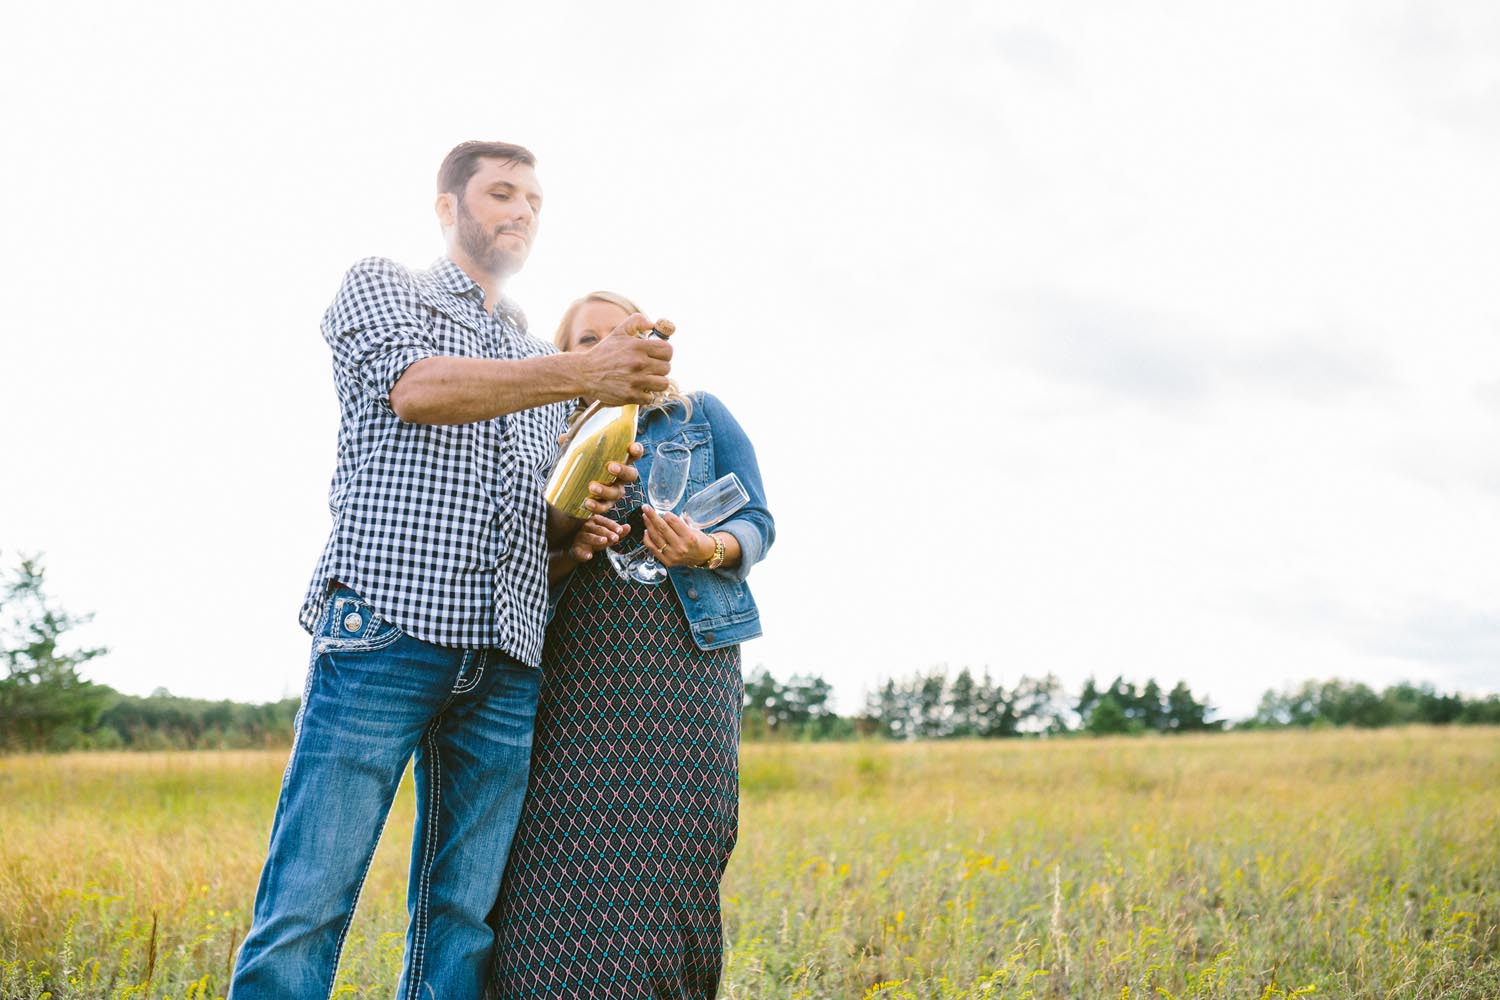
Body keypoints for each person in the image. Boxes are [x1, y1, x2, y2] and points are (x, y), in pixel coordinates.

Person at [229, 144, 674, 1000]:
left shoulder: (525, 342)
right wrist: (584, 370)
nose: (522, 211)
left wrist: (578, 516)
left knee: (460, 918)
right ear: (447, 207)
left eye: (536, 201)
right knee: (312, 897)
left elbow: (530, 520)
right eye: (501, 192)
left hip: (507, 651)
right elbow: (418, 391)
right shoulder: (386, 284)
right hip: (390, 626)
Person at [487, 292, 775, 999]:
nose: (603, 350)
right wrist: (564, 547)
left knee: (668, 858)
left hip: (681, 668)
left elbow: (759, 522)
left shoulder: (697, 415)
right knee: (557, 858)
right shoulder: (541, 431)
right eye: (584, 341)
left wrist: (707, 546)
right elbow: (511, 554)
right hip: (574, 672)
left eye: (619, 335)